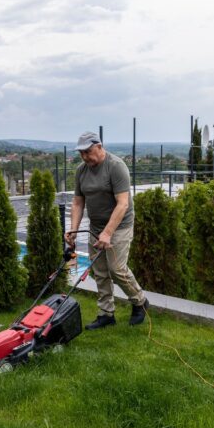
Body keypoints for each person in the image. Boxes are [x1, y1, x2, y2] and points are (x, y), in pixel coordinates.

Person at [65, 131, 149, 330]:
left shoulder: (116, 166)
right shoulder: (81, 170)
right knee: (100, 271)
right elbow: (78, 202)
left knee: (116, 269)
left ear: (99, 147)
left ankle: (140, 301)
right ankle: (106, 314)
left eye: (88, 152)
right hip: (96, 226)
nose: (85, 157)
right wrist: (73, 230)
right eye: (81, 153)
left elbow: (122, 204)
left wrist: (108, 232)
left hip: (119, 226)